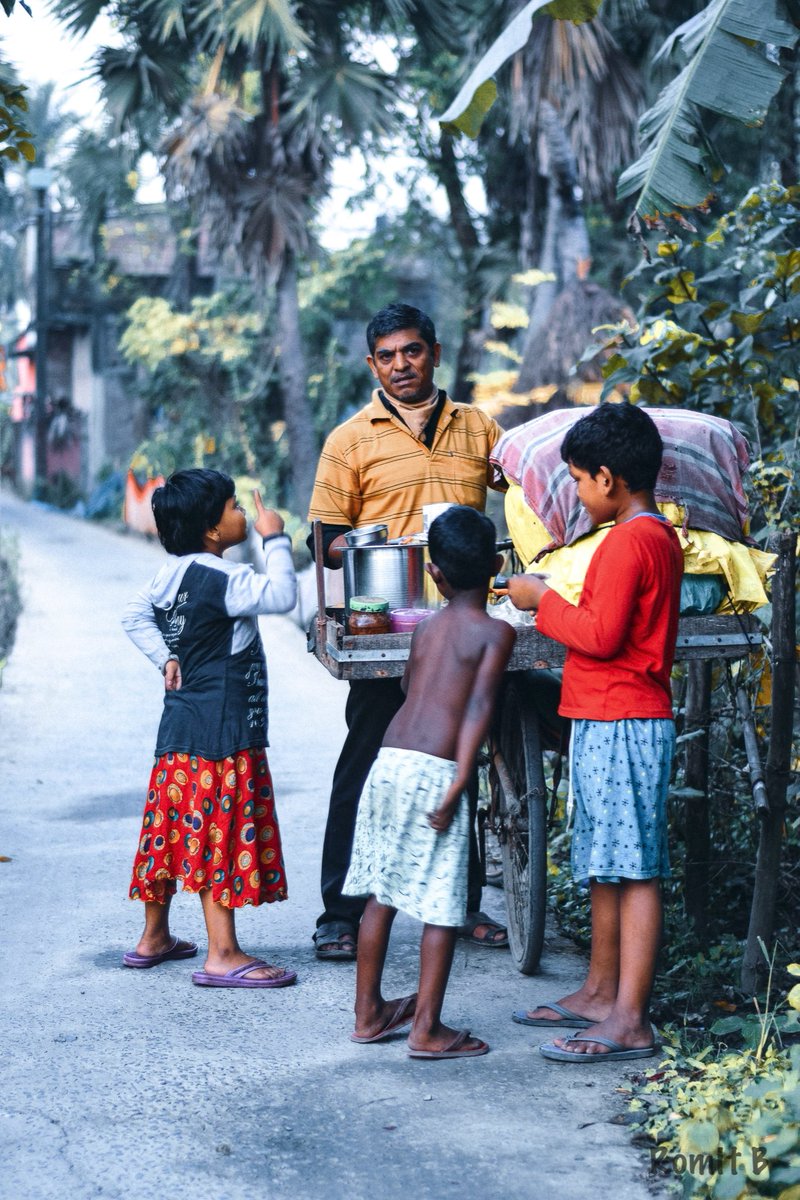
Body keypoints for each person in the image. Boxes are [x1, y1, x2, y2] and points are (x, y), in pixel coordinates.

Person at [307, 301, 509, 960]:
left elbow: (526, 493)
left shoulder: (480, 428)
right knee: (368, 756)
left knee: (462, 756)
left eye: (412, 351)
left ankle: (464, 902)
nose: (401, 365)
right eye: (388, 356)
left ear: (434, 353)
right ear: (373, 364)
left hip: (463, 620)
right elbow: (327, 544)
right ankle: (339, 910)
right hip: (386, 625)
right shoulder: (348, 439)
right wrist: (384, 549)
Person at [503, 402, 683, 1061]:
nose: (577, 492)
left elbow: (601, 636)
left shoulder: (633, 540)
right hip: (611, 718)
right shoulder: (643, 537)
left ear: (608, 478)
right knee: (611, 863)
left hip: (626, 719)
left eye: (579, 480)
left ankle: (629, 1018)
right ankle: (601, 991)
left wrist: (541, 602)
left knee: (633, 871)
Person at [343, 506, 516, 1057]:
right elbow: (479, 709)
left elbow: (409, 690)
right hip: (437, 771)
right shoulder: (496, 632)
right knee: (441, 905)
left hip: (389, 761)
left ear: (433, 573)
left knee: (382, 897)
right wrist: (462, 777)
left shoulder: (424, 630)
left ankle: (368, 1014)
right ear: (496, 564)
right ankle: (426, 1030)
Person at [121, 468, 299, 989]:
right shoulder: (229, 579)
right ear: (212, 530)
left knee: (173, 825)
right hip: (223, 734)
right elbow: (284, 595)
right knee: (218, 832)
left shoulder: (170, 573)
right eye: (233, 506)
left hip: (178, 729)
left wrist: (165, 657)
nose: (242, 512)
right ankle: (223, 953)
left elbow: (134, 614)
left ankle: (153, 937)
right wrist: (275, 537)